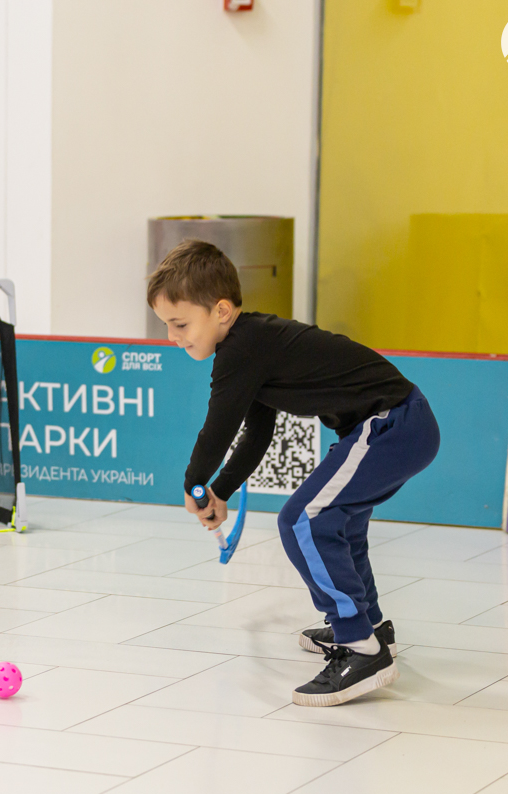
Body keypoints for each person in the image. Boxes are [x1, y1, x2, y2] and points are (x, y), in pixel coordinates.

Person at [150, 240, 440, 707]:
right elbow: (256, 434)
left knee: (302, 519)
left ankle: (361, 649)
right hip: (400, 424)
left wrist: (194, 483)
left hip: (392, 424)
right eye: (166, 325)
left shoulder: (243, 348)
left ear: (220, 311)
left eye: (180, 324)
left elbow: (218, 427)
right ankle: (368, 626)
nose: (171, 336)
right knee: (339, 523)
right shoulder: (252, 345)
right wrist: (219, 489)